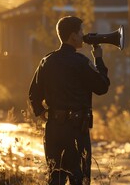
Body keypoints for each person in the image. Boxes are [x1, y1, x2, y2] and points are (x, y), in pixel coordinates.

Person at [29, 16, 110, 184]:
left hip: (54, 130)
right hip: (76, 131)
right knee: (79, 179)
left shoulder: (46, 61)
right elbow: (102, 87)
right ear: (73, 36)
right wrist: (99, 58)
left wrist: (41, 111)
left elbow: (33, 94)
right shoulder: (81, 62)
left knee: (55, 178)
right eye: (81, 31)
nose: (83, 35)